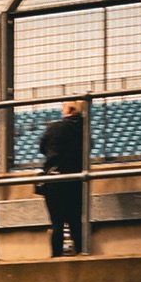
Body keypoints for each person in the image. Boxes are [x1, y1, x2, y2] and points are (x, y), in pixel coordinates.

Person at [37, 99, 86, 257]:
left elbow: (43, 147)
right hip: (76, 179)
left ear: (68, 110)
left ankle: (56, 257)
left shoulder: (55, 127)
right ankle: (81, 253)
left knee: (57, 223)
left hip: (55, 179)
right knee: (75, 221)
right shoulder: (84, 129)